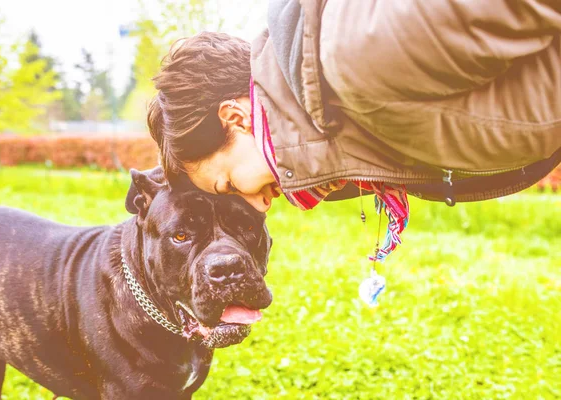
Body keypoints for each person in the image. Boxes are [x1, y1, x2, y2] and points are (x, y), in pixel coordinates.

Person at [147, 0, 561, 261]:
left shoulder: (355, 55)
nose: (257, 206)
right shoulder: (346, 114)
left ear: (236, 118)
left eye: (231, 184)